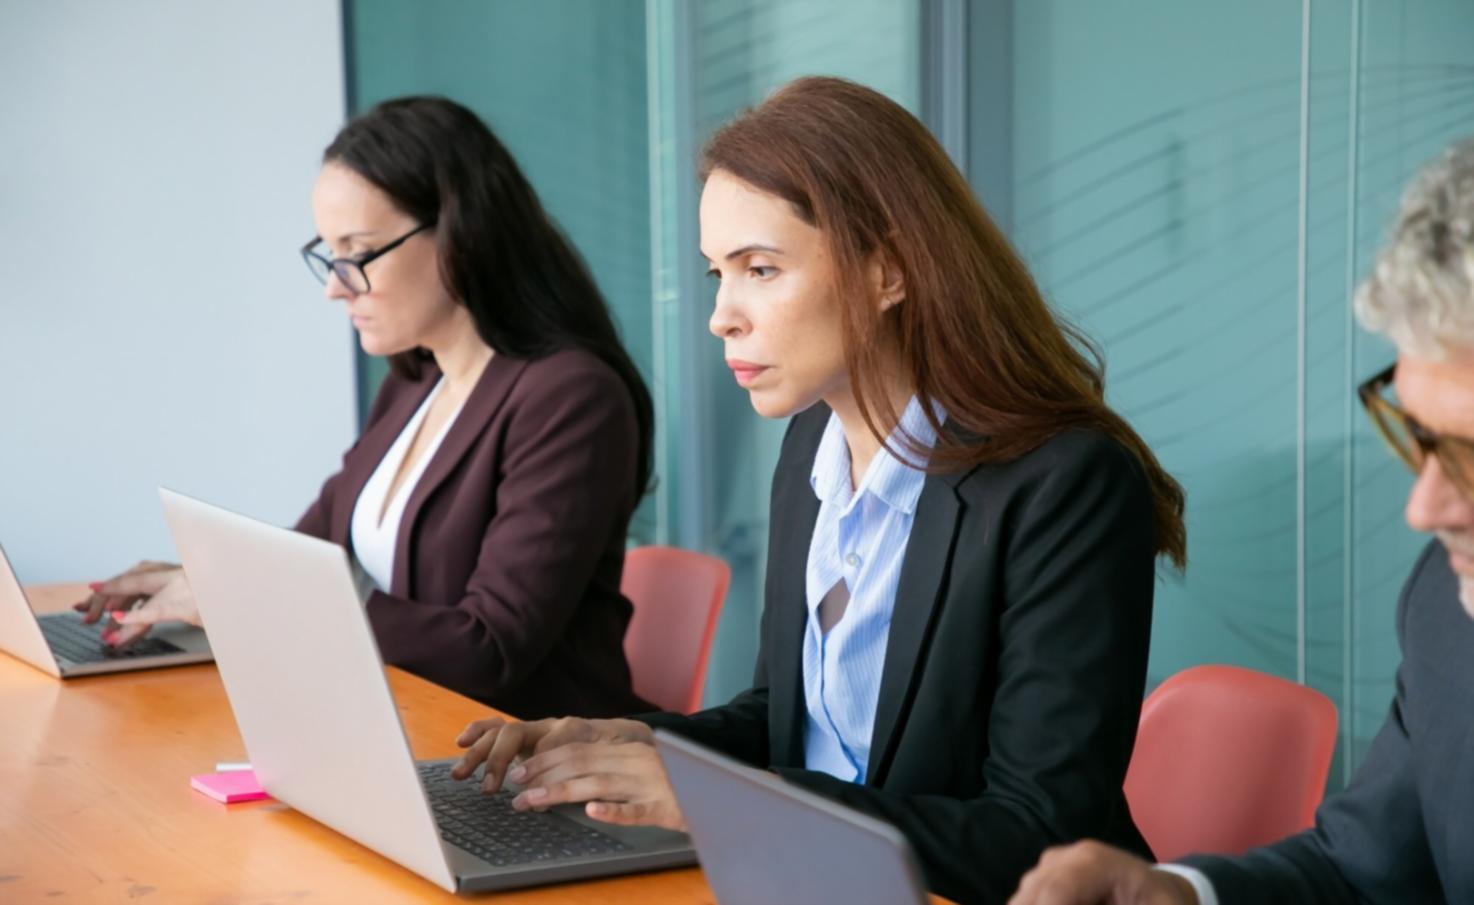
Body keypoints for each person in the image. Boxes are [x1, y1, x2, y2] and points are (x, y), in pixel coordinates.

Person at [451, 76, 1188, 904]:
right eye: (716, 275)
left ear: (889, 270)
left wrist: (720, 804)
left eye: (760, 269)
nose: (722, 315)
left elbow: (1036, 829)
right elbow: (784, 720)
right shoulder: (814, 441)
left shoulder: (1065, 486)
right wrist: (629, 742)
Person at [74, 96, 655, 718]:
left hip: (521, 766)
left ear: (460, 234)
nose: (334, 284)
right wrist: (205, 581)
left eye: (357, 252)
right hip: (397, 728)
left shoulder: (569, 398)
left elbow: (489, 650)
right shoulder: (413, 382)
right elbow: (307, 559)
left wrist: (249, 597)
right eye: (328, 252)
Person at [1008, 137, 1474, 905]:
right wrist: (1178, 894)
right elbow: (1360, 870)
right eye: (1420, 435)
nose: (1425, 508)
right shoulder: (1446, 607)